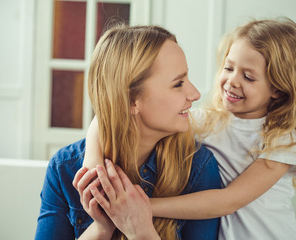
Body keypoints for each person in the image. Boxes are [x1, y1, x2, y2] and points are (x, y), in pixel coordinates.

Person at [82, 18, 296, 240]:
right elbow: (107, 117)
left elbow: (227, 201)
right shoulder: (209, 122)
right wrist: (92, 166)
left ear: (278, 89)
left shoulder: (282, 140)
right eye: (229, 68)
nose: (232, 81)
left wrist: (143, 205)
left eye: (249, 77)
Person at [35, 25, 221, 240]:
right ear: (132, 100)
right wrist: (102, 228)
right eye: (178, 84)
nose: (195, 94)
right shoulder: (65, 168)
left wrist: (141, 232)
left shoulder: (197, 167)